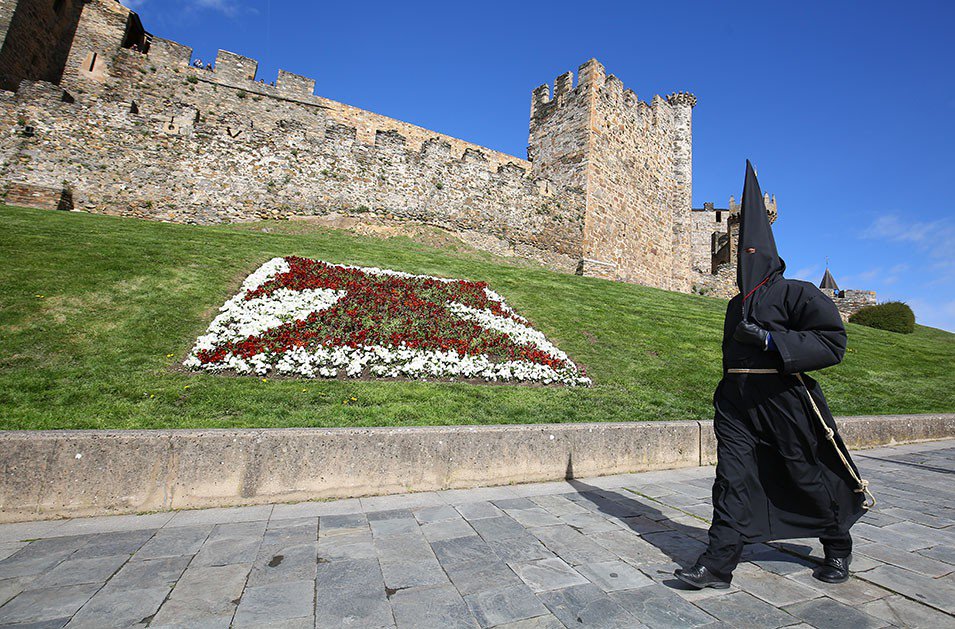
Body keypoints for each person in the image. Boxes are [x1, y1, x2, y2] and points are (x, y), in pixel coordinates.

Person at [674, 160, 872, 590]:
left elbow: (832, 342)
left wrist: (769, 341)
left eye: (751, 252)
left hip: (783, 398)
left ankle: (837, 545)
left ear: (766, 252)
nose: (745, 259)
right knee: (731, 479)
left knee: (806, 472)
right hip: (736, 401)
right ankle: (717, 565)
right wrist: (727, 392)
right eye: (740, 250)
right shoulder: (732, 305)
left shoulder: (797, 293)